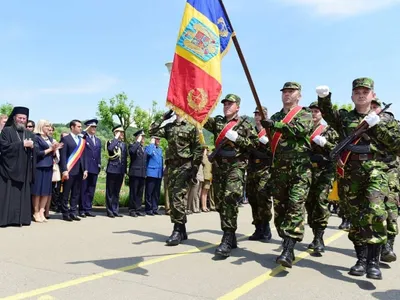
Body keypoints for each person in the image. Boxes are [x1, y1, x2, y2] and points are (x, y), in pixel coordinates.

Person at [316, 77, 400, 280]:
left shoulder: (387, 118)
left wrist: (376, 125)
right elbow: (328, 115)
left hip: (376, 170)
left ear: (373, 95)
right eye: (357, 92)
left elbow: (396, 144)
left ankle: (373, 261)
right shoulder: (345, 118)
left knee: (375, 212)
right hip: (350, 171)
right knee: (354, 216)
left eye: (365, 91)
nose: (361, 94)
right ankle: (361, 259)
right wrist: (324, 98)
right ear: (352, 96)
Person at [261, 82, 313, 268]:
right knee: (281, 210)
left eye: (291, 92)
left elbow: (300, 130)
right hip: (279, 171)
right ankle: (285, 240)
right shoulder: (275, 116)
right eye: (285, 92)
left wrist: (275, 125)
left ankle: (289, 249)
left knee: (295, 206)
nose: (287, 95)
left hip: (300, 171)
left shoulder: (305, 114)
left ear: (299, 95)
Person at [204, 94, 258, 257]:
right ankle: (231, 235)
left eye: (230, 104)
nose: (227, 106)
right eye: (225, 104)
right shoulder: (218, 122)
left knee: (229, 197)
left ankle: (227, 236)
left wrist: (239, 139)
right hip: (219, 166)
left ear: (238, 106)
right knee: (220, 202)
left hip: (236, 165)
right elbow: (200, 117)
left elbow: (255, 144)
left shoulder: (246, 123)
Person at [150, 111, 202, 246]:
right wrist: (162, 118)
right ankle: (182, 229)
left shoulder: (191, 127)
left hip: (185, 166)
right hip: (172, 167)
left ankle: (177, 230)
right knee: (173, 198)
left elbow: (198, 149)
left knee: (177, 196)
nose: (177, 111)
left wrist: (194, 169)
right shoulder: (169, 127)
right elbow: (152, 131)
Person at [305, 102, 338, 255]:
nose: (313, 114)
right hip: (307, 171)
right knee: (309, 204)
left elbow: (339, 150)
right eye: (311, 111)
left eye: (316, 111)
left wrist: (326, 144)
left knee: (320, 202)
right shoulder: (303, 130)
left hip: (324, 171)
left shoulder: (329, 130)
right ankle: (314, 232)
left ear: (322, 114)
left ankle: (319, 237)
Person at [370, 98, 398, 263]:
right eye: (370, 107)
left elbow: (396, 143)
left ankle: (388, 246)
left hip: (390, 171)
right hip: (370, 172)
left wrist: (378, 125)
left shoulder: (390, 122)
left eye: (375, 107)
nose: (372, 109)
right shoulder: (362, 123)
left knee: (390, 207)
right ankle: (374, 247)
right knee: (375, 210)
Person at [0, 106, 36, 227]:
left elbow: (36, 150)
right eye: (19, 118)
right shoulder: (7, 131)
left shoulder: (29, 133)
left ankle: (22, 219)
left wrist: (32, 146)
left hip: (24, 168)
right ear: (14, 118)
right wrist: (22, 144)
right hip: (9, 169)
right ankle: (6, 220)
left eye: (24, 118)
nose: (21, 120)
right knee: (8, 195)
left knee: (23, 194)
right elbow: (4, 148)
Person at [247, 106, 273, 241]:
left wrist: (268, 144)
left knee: (263, 198)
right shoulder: (251, 130)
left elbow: (275, 150)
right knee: (253, 198)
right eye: (256, 114)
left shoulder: (269, 131)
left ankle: (266, 226)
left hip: (265, 169)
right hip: (251, 168)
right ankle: (258, 228)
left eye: (260, 115)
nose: (258, 117)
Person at [32, 120, 63, 223]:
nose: (49, 128)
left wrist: (55, 150)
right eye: (46, 126)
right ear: (41, 126)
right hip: (39, 166)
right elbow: (37, 153)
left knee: (46, 191)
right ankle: (36, 212)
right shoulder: (36, 137)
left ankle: (42, 211)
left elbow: (53, 154)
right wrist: (51, 149)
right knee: (37, 191)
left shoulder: (50, 138)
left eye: (49, 126)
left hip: (49, 166)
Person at [59, 120, 88, 222]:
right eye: (79, 126)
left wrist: (85, 170)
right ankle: (65, 213)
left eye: (81, 126)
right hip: (69, 170)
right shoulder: (65, 139)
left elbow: (84, 156)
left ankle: (73, 212)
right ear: (72, 127)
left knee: (76, 193)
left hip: (80, 170)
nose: (81, 128)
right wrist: (64, 170)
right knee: (66, 193)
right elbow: (63, 157)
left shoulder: (81, 140)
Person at [80, 119, 101, 218]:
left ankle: (88, 209)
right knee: (83, 189)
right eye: (92, 127)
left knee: (91, 190)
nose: (94, 128)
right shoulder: (84, 138)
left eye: (95, 127)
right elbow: (79, 137)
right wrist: (85, 130)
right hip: (86, 167)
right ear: (88, 127)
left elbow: (98, 155)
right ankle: (82, 209)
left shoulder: (98, 140)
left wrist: (99, 165)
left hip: (95, 168)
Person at [105, 125, 127, 217]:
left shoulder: (123, 144)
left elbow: (124, 158)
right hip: (112, 170)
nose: (122, 134)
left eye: (122, 132)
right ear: (115, 132)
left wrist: (125, 171)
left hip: (120, 171)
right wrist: (115, 138)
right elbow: (110, 149)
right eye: (120, 132)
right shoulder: (110, 142)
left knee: (116, 192)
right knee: (110, 191)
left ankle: (115, 210)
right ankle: (109, 211)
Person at [128, 129, 147, 217]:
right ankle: (132, 210)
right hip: (135, 173)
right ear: (137, 137)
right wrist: (137, 142)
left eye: (143, 137)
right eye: (141, 136)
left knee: (140, 192)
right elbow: (132, 152)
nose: (143, 138)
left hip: (142, 173)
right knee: (134, 192)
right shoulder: (133, 145)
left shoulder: (143, 148)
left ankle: (138, 209)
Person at [145, 136, 164, 215]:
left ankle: (154, 208)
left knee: (156, 193)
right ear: (153, 139)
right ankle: (148, 209)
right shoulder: (149, 147)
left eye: (159, 139)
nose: (158, 140)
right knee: (149, 192)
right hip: (151, 173)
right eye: (157, 139)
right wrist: (152, 143)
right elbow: (149, 153)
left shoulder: (160, 150)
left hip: (158, 174)